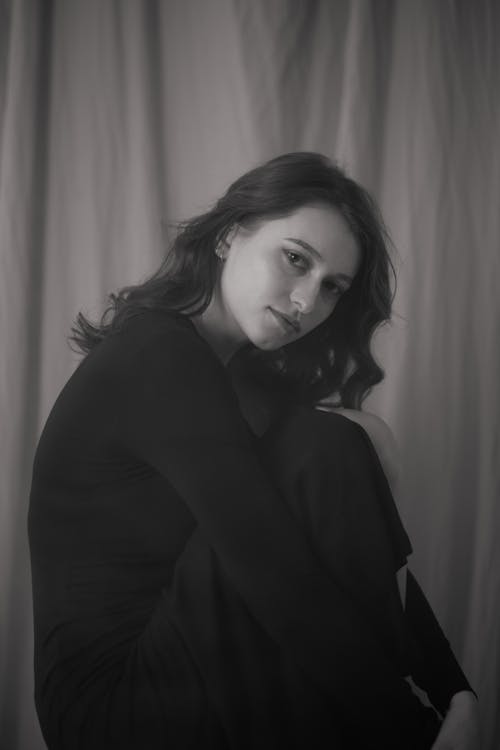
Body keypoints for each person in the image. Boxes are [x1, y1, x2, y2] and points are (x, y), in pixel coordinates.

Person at [28, 152, 480, 749]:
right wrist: (415, 725)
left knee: (347, 442)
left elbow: (352, 540)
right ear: (230, 234)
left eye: (331, 288)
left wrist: (453, 689)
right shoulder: (159, 356)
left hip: (179, 658)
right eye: (296, 259)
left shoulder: (236, 378)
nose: (305, 302)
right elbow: (273, 570)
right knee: (338, 443)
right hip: (116, 703)